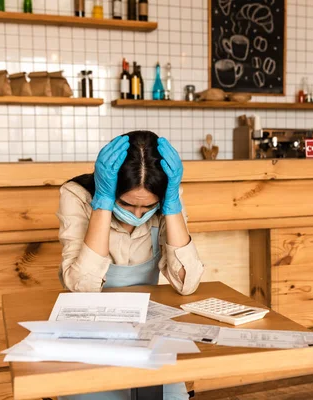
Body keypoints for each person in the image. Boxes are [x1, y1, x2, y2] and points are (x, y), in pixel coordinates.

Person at [56, 130, 204, 400]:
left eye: (148, 207)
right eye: (126, 204)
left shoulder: (167, 200)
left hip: (147, 333)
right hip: (89, 333)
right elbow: (83, 286)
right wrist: (102, 203)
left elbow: (187, 283)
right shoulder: (77, 195)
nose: (137, 214)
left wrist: (171, 207)